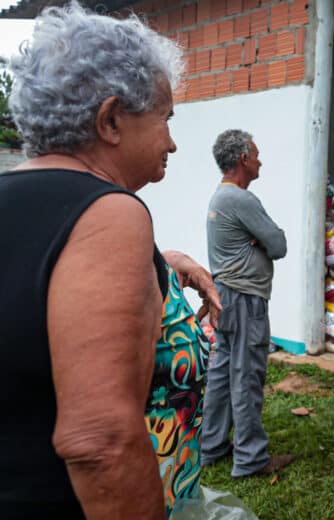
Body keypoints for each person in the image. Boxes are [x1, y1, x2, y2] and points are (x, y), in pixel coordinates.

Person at [0, 3, 221, 518]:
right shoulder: (111, 213)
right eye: (165, 118)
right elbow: (99, 441)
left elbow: (28, 295)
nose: (171, 140)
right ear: (112, 119)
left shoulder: (20, 201)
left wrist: (158, 264)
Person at [202, 129, 293, 479]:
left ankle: (210, 447)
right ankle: (251, 458)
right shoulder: (241, 200)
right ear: (242, 158)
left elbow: (269, 243)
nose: (260, 160)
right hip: (244, 301)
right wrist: (261, 240)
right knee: (246, 376)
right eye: (255, 154)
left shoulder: (220, 197)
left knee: (223, 374)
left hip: (226, 296)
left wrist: (262, 241)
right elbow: (279, 244)